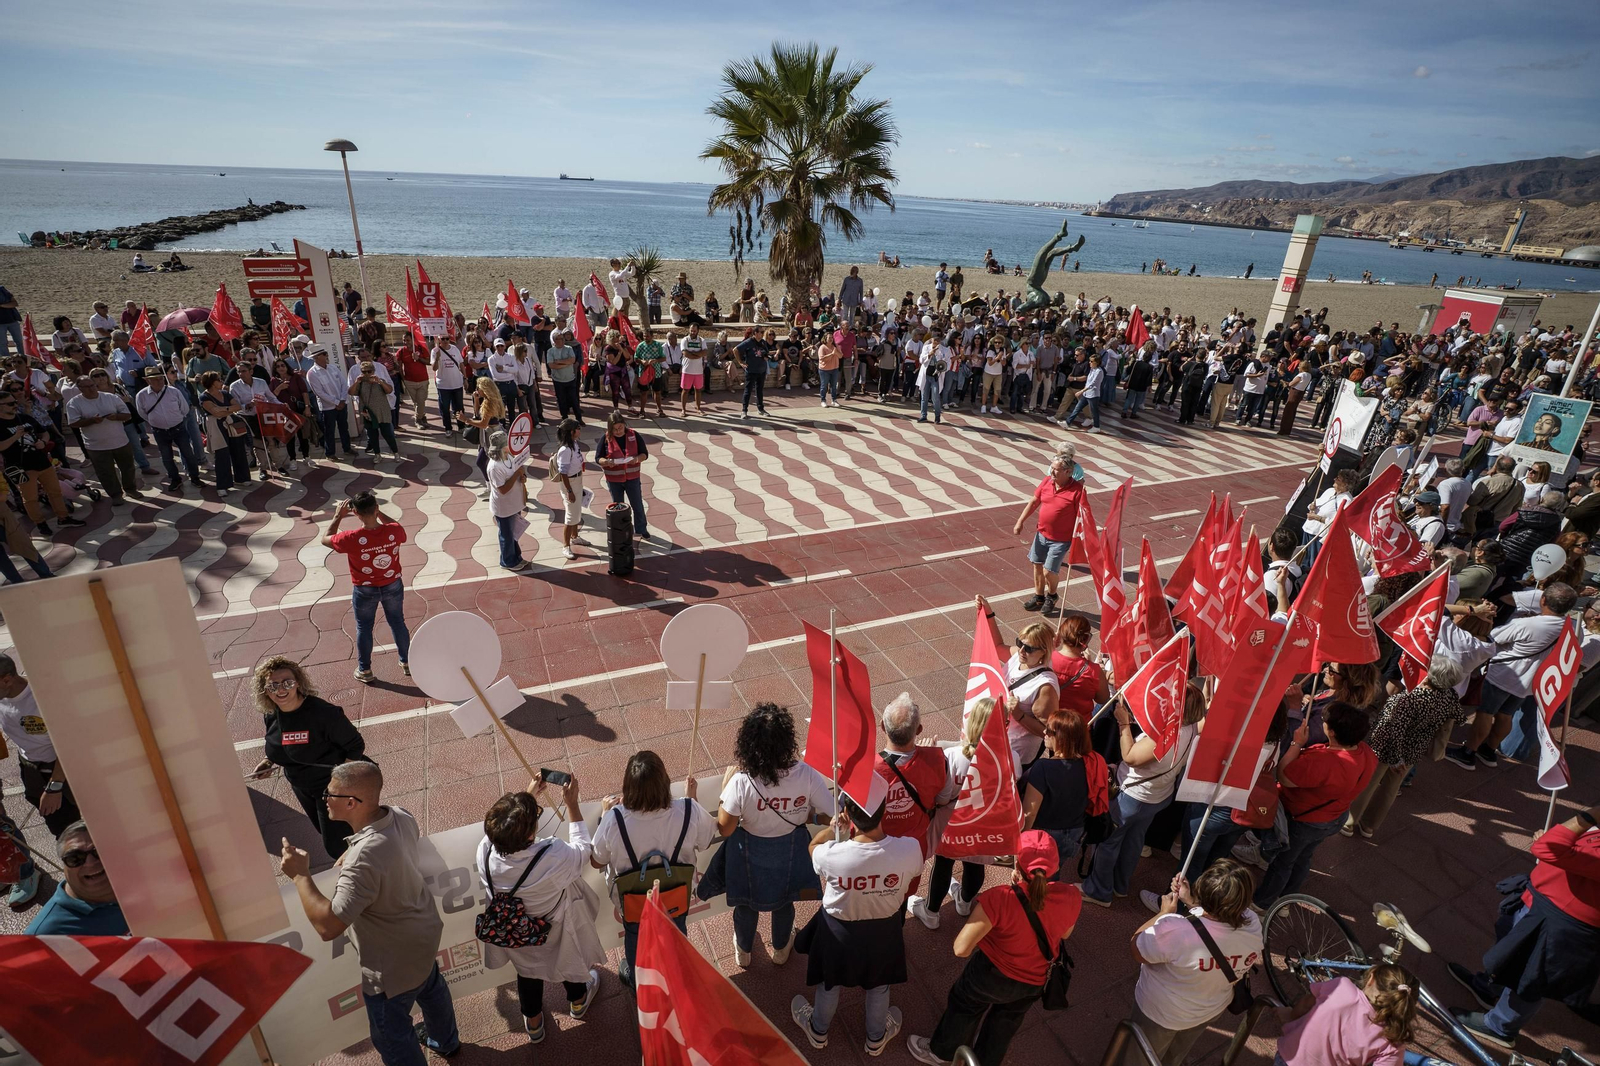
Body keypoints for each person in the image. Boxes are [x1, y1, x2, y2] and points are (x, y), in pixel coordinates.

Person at [280, 761, 461, 1065]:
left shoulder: (362, 860)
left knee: (391, 1036)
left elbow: (328, 926)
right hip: (424, 935)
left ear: (351, 803)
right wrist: (353, 848)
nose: (324, 799)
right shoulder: (400, 815)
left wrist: (300, 875)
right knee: (432, 989)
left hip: (391, 964)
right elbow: (383, 845)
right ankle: (446, 1042)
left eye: (329, 794)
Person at [907, 830, 1080, 1066]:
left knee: (966, 1006)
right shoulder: (1071, 895)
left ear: (1017, 864)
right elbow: (1065, 933)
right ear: (1055, 866)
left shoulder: (999, 898)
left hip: (991, 975)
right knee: (1005, 1023)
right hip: (1035, 980)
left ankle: (942, 1053)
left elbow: (961, 948)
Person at [1447, 800, 1600, 1050]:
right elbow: (1558, 847)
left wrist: (1588, 816)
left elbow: (1549, 849)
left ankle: (1500, 1027)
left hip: (1562, 923)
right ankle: (1489, 988)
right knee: (1511, 956)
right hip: (1543, 904)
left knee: (1529, 980)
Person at [791, 775, 920, 1055]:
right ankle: (876, 1038)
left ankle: (818, 1030)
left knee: (829, 982)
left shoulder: (833, 855)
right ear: (884, 810)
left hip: (837, 929)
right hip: (885, 930)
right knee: (879, 985)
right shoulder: (910, 849)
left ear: (848, 815)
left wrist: (832, 830)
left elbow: (812, 848)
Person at [477, 776, 604, 1043]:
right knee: (568, 963)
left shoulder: (485, 851)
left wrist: (526, 798)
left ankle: (534, 1024)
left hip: (516, 933)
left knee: (527, 972)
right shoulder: (551, 855)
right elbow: (584, 850)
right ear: (530, 834)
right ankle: (579, 1002)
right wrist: (572, 805)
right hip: (554, 929)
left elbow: (504, 833)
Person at [714, 702, 834, 967]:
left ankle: (743, 951)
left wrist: (724, 790)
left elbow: (725, 828)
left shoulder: (741, 782)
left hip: (749, 854)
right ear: (787, 741)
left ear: (749, 743)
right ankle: (781, 949)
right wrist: (809, 815)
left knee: (746, 904)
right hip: (789, 851)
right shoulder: (807, 775)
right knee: (784, 901)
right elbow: (832, 813)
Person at [590, 750, 716, 987]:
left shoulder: (614, 819)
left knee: (635, 937)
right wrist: (692, 799)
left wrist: (605, 814)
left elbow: (597, 860)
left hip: (634, 902)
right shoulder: (688, 809)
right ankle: (676, 976)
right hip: (675, 896)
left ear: (628, 787)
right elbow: (705, 841)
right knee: (676, 932)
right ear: (664, 782)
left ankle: (640, 983)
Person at [1127, 860, 1262, 1066]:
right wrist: (1190, 901)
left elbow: (1137, 948)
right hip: (1208, 1011)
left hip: (1162, 1013)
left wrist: (1163, 914)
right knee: (1173, 1057)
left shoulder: (1176, 929)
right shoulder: (1253, 923)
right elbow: (1217, 919)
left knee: (1140, 1059)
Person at [1082, 681, 1205, 908]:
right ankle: (1120, 886)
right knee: (1134, 840)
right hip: (1157, 796)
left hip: (1133, 796)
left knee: (1108, 841)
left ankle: (1099, 891)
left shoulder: (1166, 736)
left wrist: (1123, 723)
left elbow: (1130, 756)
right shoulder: (1192, 728)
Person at [1253, 701, 1377, 909]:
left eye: (1325, 721)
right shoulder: (1366, 753)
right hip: (1334, 817)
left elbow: (1284, 776)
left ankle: (1263, 904)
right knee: (1303, 857)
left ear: (1333, 732)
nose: (1322, 723)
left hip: (1304, 820)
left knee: (1283, 862)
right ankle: (1287, 900)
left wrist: (1296, 743)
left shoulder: (1324, 762)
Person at [247, 656, 369, 858]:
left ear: (298, 683)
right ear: (265, 690)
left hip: (330, 787)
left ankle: (368, 867)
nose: (280, 690)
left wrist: (339, 783)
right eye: (273, 685)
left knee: (336, 846)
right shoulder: (272, 714)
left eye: (287, 683)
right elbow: (281, 743)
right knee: (329, 832)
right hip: (301, 787)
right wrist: (269, 761)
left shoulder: (324, 714)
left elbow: (355, 745)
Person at [1445, 582, 1576, 770]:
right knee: (1506, 715)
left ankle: (1468, 753)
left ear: (1543, 600)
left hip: (1504, 675)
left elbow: (1495, 637)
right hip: (1529, 682)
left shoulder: (1530, 624)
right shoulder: (1571, 629)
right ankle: (1488, 750)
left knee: (1485, 712)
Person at [1345, 656, 1466, 839]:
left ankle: (1349, 822)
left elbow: (1393, 730)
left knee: (1368, 784)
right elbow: (1460, 719)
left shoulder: (1408, 699)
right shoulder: (1449, 697)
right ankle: (1369, 826)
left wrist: (1395, 759)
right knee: (1390, 790)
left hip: (1385, 748)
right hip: (1413, 750)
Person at [912, 697, 999, 931]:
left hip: (951, 822)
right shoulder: (1010, 758)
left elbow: (940, 797)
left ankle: (931, 912)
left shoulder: (953, 757)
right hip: (982, 822)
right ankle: (965, 902)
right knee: (975, 863)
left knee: (943, 863)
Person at [321, 490, 412, 682]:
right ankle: (407, 661)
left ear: (355, 513)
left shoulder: (350, 538)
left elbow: (326, 539)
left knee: (364, 627)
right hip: (392, 584)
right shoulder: (394, 530)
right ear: (376, 508)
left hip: (364, 589)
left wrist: (338, 516)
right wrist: (378, 513)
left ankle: (365, 670)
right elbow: (398, 528)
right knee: (397, 622)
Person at [0, 654, 83, 847]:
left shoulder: (43, 700)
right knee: (59, 828)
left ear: (7, 680)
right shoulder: (2, 695)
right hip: (30, 768)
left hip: (58, 771)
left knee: (74, 830)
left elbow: (69, 744)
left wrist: (55, 786)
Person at [1276, 963, 1418, 1066]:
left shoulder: (1341, 987)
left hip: (1288, 1056)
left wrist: (1290, 1015)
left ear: (1371, 978)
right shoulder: (1393, 1040)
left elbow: (1306, 1003)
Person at [1022, 711, 1102, 874]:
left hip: (1043, 835)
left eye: (1049, 730)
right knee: (1054, 871)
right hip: (1074, 833)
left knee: (1031, 876)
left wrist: (1020, 840)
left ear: (1061, 738)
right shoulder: (1090, 763)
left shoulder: (1043, 767)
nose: (1044, 732)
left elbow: (1029, 813)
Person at [1013, 452, 1085, 615]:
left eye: (1055, 469)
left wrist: (1082, 540)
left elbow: (1082, 517)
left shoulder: (1077, 491)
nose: (1051, 472)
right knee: (1037, 565)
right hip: (1041, 535)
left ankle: (1052, 596)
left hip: (1061, 540)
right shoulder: (1046, 481)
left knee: (1049, 571)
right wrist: (1020, 522)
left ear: (1068, 472)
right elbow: (1034, 502)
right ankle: (1039, 597)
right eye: (1051, 468)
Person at [24, 822, 127, 935]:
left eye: (99, 851)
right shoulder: (46, 935)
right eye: (75, 858)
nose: (90, 863)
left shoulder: (136, 878)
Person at [65, 372, 141, 505]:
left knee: (128, 467)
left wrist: (116, 417)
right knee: (105, 472)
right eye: (87, 387)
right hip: (96, 446)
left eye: (92, 385)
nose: (91, 388)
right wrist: (91, 421)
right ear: (80, 388)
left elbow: (127, 414)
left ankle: (131, 489)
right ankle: (115, 494)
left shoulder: (111, 397)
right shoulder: (74, 403)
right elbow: (73, 423)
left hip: (120, 441)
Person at [594, 410, 650, 539]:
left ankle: (641, 529)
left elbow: (644, 454)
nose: (618, 431)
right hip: (614, 480)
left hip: (632, 478)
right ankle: (621, 531)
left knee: (637, 505)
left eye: (620, 428)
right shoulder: (606, 438)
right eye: (614, 429)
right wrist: (606, 462)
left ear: (624, 424)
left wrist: (637, 459)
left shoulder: (634, 435)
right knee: (618, 507)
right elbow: (598, 458)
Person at [198, 370, 252, 495]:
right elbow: (215, 413)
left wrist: (222, 409)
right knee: (222, 454)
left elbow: (238, 406)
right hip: (216, 426)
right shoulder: (204, 397)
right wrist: (227, 409)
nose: (221, 381)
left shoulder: (225, 393)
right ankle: (223, 485)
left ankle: (242, 478)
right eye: (218, 380)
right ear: (212, 383)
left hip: (231, 423)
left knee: (238, 450)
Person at [485, 429, 531, 572]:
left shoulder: (509, 456)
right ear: (502, 447)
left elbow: (518, 472)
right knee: (506, 535)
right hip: (504, 507)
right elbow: (503, 489)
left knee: (514, 533)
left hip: (514, 503)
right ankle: (507, 562)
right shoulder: (494, 467)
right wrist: (516, 474)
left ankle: (516, 557)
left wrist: (522, 477)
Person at [305, 345, 355, 459]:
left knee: (344, 427)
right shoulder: (312, 373)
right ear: (317, 357)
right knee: (329, 430)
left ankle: (347, 448)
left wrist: (342, 400)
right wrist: (336, 402)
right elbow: (319, 392)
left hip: (341, 403)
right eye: (324, 354)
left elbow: (343, 384)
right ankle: (330, 453)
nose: (327, 356)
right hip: (328, 408)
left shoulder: (333, 367)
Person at [552, 417, 589, 561]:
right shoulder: (565, 450)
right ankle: (566, 546)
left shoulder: (574, 444)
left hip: (577, 480)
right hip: (571, 483)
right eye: (577, 429)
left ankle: (575, 536)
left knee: (576, 510)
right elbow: (563, 473)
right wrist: (569, 491)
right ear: (571, 432)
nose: (580, 430)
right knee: (570, 515)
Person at [431, 335, 467, 437]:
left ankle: (461, 426)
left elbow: (461, 364)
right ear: (439, 340)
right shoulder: (435, 351)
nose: (445, 341)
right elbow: (434, 368)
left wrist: (465, 378)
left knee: (459, 407)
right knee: (445, 408)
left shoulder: (455, 349)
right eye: (443, 339)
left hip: (457, 383)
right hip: (443, 385)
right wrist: (437, 357)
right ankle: (448, 428)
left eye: (447, 338)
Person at [546, 331, 582, 424]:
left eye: (562, 339)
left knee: (574, 400)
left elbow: (572, 360)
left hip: (570, 379)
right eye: (558, 339)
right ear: (554, 340)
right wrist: (566, 364)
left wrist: (559, 362)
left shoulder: (569, 348)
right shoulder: (550, 351)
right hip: (558, 380)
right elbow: (551, 365)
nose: (561, 341)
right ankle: (565, 418)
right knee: (561, 400)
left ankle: (579, 418)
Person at [738, 326, 771, 418]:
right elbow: (735, 350)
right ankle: (744, 410)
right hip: (751, 370)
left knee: (759, 390)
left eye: (763, 332)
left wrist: (766, 356)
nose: (762, 334)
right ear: (755, 333)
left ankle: (761, 409)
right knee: (748, 390)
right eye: (761, 332)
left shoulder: (763, 342)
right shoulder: (748, 342)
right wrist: (740, 362)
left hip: (761, 370)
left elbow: (766, 353)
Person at [678, 323, 707, 416]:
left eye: (694, 331)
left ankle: (698, 408)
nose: (692, 332)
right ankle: (683, 410)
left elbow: (704, 352)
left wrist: (693, 354)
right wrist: (698, 354)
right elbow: (685, 354)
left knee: (698, 390)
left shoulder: (702, 340)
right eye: (691, 330)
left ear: (698, 331)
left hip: (698, 370)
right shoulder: (684, 340)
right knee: (685, 390)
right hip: (687, 369)